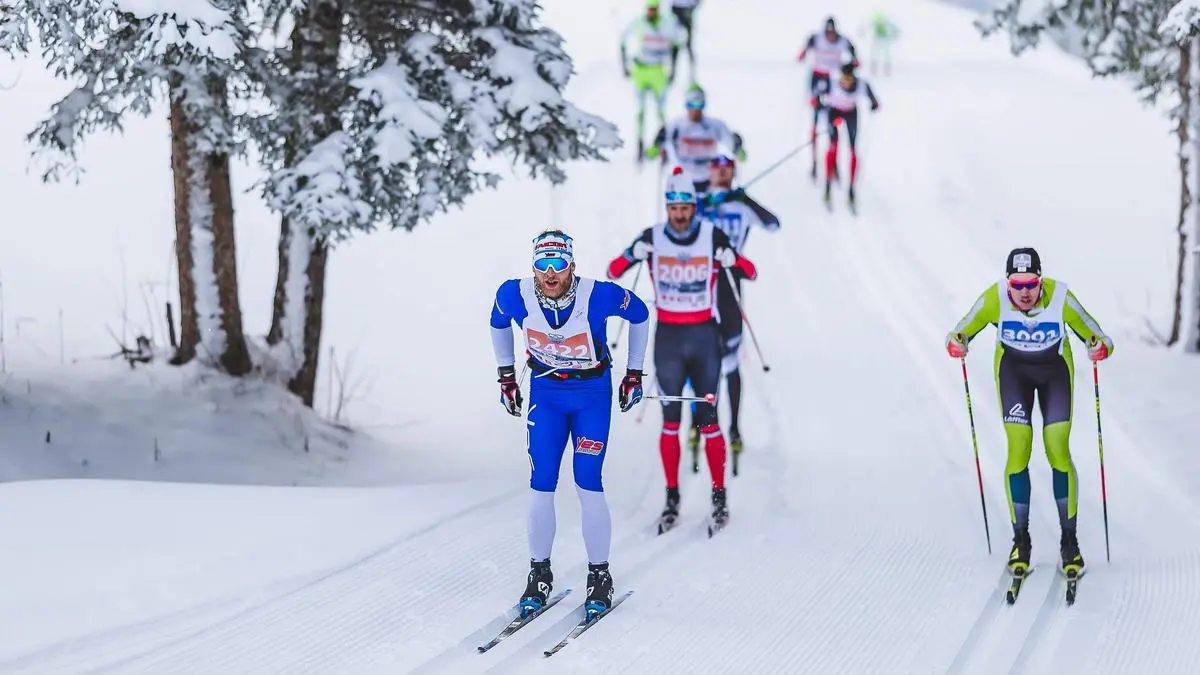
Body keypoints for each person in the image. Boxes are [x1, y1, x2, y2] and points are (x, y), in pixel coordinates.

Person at [490, 230, 651, 619]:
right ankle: (538, 574)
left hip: (590, 397)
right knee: (541, 483)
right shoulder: (516, 294)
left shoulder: (597, 294)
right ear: (533, 267)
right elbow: (497, 321)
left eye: (558, 265)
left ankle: (599, 576)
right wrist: (506, 377)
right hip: (546, 396)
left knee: (587, 482)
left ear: (571, 266)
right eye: (542, 265)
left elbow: (640, 313)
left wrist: (634, 374)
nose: (550, 273)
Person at [945, 247, 1113, 579]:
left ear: (1041, 281)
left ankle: (1069, 542)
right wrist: (957, 342)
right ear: (1008, 283)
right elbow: (959, 329)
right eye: (1017, 285)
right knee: (1019, 448)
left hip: (1055, 375)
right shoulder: (994, 298)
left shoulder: (1061, 296)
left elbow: (1098, 334)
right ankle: (1020, 541)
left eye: (1031, 284)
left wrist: (1099, 347)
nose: (1024, 293)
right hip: (1014, 375)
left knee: (1057, 448)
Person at [606, 169, 758, 532]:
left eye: (685, 207)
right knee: (671, 422)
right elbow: (613, 271)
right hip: (669, 340)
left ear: (693, 207)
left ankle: (719, 496)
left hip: (706, 336)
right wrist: (633, 252)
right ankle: (672, 496)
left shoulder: (711, 235)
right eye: (673, 207)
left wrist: (732, 261)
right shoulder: (653, 237)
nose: (679, 213)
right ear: (667, 207)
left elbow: (750, 272)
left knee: (709, 421)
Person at [680, 154, 780, 468]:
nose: (722, 175)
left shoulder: (741, 206)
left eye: (727, 171)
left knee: (730, 357)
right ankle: (697, 422)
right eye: (717, 170)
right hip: (697, 282)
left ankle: (734, 427)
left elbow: (774, 224)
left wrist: (745, 198)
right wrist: (702, 201)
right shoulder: (697, 200)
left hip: (731, 282)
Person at [621, 0, 686, 161]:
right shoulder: (638, 23)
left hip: (658, 70)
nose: (651, 12)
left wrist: (674, 70)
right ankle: (640, 144)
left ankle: (664, 143)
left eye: (654, 9)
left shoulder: (668, 24)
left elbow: (678, 44)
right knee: (641, 110)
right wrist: (625, 66)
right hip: (641, 70)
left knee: (661, 110)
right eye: (649, 9)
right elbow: (623, 41)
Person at [646, 84, 746, 186]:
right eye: (691, 105)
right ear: (686, 105)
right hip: (683, 181)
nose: (696, 110)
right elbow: (653, 151)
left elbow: (732, 144)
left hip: (709, 180)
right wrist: (655, 146)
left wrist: (737, 147)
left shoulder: (715, 125)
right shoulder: (675, 126)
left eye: (699, 105)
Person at [797, 16, 857, 180]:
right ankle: (814, 161)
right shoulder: (816, 38)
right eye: (828, 33)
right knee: (816, 118)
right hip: (818, 78)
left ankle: (833, 163)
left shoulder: (843, 40)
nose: (830, 36)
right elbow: (805, 49)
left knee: (833, 121)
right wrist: (802, 54)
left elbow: (853, 51)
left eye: (832, 33)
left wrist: (854, 61)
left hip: (835, 81)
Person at [820, 59, 878, 207]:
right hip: (834, 112)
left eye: (849, 80)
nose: (846, 83)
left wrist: (874, 104)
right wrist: (817, 103)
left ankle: (851, 188)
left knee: (853, 149)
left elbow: (874, 100)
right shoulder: (831, 82)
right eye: (843, 80)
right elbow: (816, 95)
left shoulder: (862, 85)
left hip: (851, 113)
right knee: (833, 145)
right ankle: (828, 182)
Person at [861, 11, 899, 76]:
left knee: (883, 57)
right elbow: (866, 26)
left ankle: (884, 72)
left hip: (882, 42)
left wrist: (895, 34)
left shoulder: (883, 22)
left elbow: (894, 29)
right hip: (879, 42)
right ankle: (876, 72)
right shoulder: (879, 22)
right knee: (879, 57)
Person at [670, 0, 700, 72]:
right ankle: (673, 69)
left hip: (687, 10)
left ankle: (692, 70)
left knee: (688, 42)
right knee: (675, 41)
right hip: (676, 9)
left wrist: (692, 7)